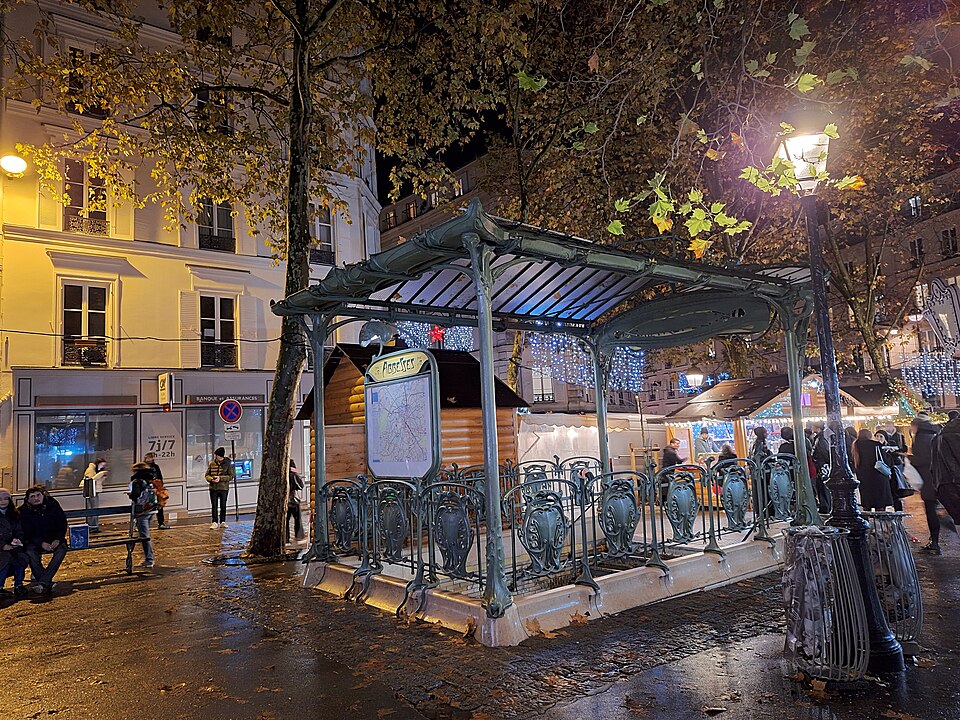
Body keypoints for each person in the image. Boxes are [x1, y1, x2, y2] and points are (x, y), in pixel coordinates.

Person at [19, 485, 67, 595]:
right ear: (28, 499)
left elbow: (62, 523)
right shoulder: (24, 511)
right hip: (34, 541)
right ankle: (46, 582)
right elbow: (27, 532)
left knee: (62, 550)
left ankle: (42, 582)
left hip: (54, 538)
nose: (36, 498)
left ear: (42, 495)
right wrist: (41, 543)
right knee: (30, 552)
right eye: (32, 496)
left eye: (38, 495)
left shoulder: (52, 504)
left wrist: (58, 539)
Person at [911, 412, 944, 555]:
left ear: (916, 425)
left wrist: (908, 459)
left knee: (932, 510)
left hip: (929, 479)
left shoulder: (921, 438)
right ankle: (934, 540)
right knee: (939, 509)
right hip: (940, 478)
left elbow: (922, 459)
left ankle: (935, 543)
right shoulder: (935, 434)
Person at [852, 428, 894, 512]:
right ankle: (879, 523)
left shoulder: (856, 445)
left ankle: (867, 521)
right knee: (880, 503)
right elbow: (886, 461)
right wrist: (889, 453)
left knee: (867, 502)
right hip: (878, 476)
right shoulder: (876, 445)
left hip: (863, 477)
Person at [0, 488, 27, 597]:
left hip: (13, 545)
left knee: (21, 558)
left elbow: (20, 530)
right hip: (2, 548)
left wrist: (17, 539)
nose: (3, 501)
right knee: (5, 559)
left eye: (6, 498)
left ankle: (18, 585)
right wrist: (2, 545)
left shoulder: (14, 514)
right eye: (0, 499)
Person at [129, 463, 156, 568]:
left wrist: (130, 495)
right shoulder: (151, 478)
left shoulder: (138, 481)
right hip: (151, 509)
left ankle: (149, 559)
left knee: (144, 536)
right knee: (145, 535)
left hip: (141, 511)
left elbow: (135, 495)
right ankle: (148, 558)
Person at [205, 447, 234, 530]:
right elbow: (207, 475)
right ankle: (214, 522)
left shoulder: (228, 464)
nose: (215, 457)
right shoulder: (212, 463)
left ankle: (222, 521)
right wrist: (211, 479)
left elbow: (231, 476)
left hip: (223, 488)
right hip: (213, 488)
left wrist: (220, 478)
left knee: (223, 505)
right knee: (214, 505)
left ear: (220, 456)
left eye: (216, 455)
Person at [144, 452, 171, 529]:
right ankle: (144, 524)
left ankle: (161, 523)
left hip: (157, 489)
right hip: (148, 489)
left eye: (152, 457)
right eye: (150, 457)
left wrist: (160, 487)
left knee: (159, 506)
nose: (152, 459)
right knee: (146, 506)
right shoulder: (144, 467)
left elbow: (160, 477)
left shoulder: (155, 467)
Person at [810, 421, 832, 514]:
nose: (811, 428)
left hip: (822, 466)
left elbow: (825, 452)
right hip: (821, 465)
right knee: (821, 487)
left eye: (813, 426)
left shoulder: (821, 439)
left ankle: (825, 507)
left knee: (823, 487)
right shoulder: (819, 438)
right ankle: (825, 506)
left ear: (817, 428)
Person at [80, 458, 107, 533]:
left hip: (94, 491)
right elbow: (90, 480)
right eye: (102, 464)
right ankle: (93, 526)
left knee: (93, 508)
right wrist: (101, 474)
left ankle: (93, 526)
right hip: (91, 491)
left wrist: (102, 476)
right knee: (93, 508)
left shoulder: (96, 470)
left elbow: (97, 481)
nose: (102, 466)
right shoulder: (91, 470)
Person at [286, 460, 306, 543]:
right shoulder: (294, 474)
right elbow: (301, 486)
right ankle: (299, 536)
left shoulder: (283, 475)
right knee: (298, 519)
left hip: (285, 501)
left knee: (285, 521)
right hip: (294, 500)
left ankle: (285, 538)